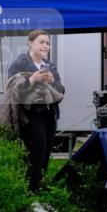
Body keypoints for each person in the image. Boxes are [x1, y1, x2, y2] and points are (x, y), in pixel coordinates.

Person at [6, 29, 66, 192]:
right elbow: (12, 91)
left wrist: (52, 81)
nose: (45, 46)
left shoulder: (50, 65)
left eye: (48, 43)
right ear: (30, 43)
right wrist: (32, 79)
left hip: (50, 114)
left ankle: (41, 188)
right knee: (36, 155)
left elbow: (61, 91)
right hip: (31, 115)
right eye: (41, 42)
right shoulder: (20, 64)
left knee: (46, 154)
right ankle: (31, 192)